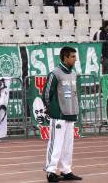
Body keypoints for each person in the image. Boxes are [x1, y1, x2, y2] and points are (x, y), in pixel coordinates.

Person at [43, 47, 82, 182]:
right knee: (55, 144)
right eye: (72, 56)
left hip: (71, 114)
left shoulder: (73, 73)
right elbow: (47, 94)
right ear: (65, 58)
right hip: (59, 115)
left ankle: (66, 170)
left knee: (68, 145)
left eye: (74, 56)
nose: (75, 59)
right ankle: (50, 171)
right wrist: (52, 109)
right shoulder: (55, 73)